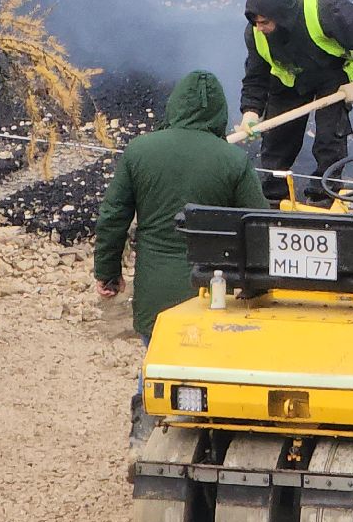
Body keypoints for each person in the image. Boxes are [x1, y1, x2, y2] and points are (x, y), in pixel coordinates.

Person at [93, 70, 270, 442]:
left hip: (155, 291)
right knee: (210, 369)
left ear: (174, 106)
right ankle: (205, 440)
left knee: (156, 361)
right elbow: (259, 228)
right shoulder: (232, 160)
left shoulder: (140, 151)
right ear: (219, 111)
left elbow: (112, 218)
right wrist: (257, 287)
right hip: (212, 295)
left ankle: (144, 437)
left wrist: (108, 272)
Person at [237, 0, 353, 202]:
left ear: (281, 16)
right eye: (255, 23)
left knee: (329, 138)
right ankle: (274, 195)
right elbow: (256, 75)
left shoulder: (328, 10)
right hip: (288, 78)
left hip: (331, 72)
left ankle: (323, 194)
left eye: (264, 22)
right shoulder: (255, 33)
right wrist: (251, 111)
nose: (260, 28)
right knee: (277, 140)